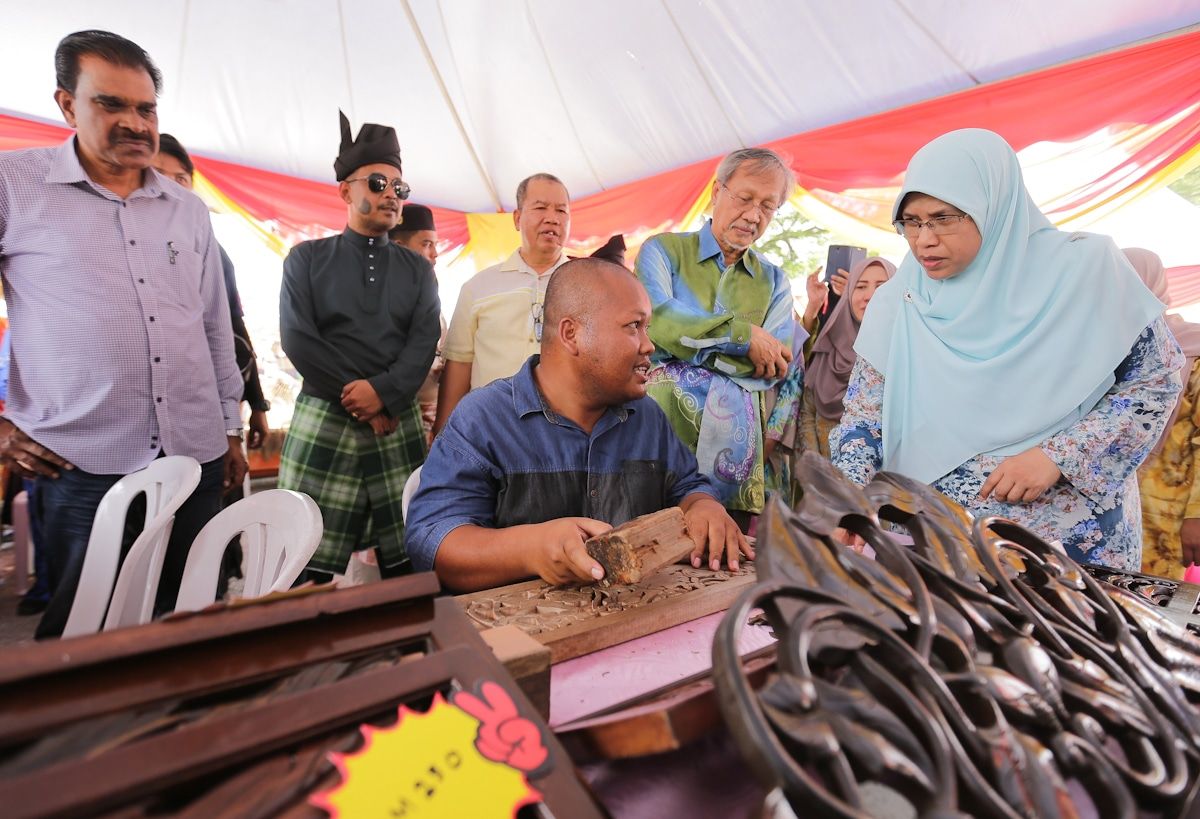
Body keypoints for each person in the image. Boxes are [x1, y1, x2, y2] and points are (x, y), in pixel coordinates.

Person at [831, 128, 1182, 570]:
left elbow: (1155, 380)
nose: (924, 239)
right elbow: (864, 416)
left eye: (943, 218)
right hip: (935, 544)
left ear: (993, 206)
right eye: (912, 221)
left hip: (1060, 542)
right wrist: (849, 492)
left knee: (1064, 640)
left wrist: (1060, 456)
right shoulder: (897, 301)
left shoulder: (1087, 271)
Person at [0, 30, 246, 637]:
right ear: (67, 104)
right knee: (85, 635)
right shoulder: (14, 185)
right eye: (111, 104)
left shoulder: (186, 209)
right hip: (80, 462)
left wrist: (230, 430)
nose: (135, 123)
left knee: (191, 621)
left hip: (195, 454)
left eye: (146, 108)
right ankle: (87, 736)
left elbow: (215, 326)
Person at [405, 258, 751, 591]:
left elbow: (687, 485)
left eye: (647, 328)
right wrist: (532, 547)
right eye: (634, 326)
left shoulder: (646, 416)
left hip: (634, 630)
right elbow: (432, 542)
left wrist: (702, 505)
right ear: (571, 334)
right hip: (519, 639)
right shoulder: (484, 419)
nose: (649, 345)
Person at [278, 112, 441, 581]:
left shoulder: (418, 271)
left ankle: (412, 654)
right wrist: (367, 401)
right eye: (377, 183)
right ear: (345, 191)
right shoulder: (306, 260)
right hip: (329, 418)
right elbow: (298, 338)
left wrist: (386, 392)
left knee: (410, 561)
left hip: (396, 423)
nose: (391, 195)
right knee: (301, 564)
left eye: (399, 187)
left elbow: (423, 340)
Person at [636, 148, 797, 526]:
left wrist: (683, 351)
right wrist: (742, 338)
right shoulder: (661, 251)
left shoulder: (775, 281)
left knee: (723, 573)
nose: (754, 215)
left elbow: (774, 365)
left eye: (768, 206)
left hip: (735, 464)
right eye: (745, 198)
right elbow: (656, 324)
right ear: (716, 191)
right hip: (659, 445)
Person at [154, 133, 272, 450]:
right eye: (159, 175)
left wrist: (257, 403)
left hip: (201, 414)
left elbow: (231, 330)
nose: (173, 186)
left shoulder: (214, 252)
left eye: (181, 177)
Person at [434, 173, 571, 437]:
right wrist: (443, 436)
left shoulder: (588, 284)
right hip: (492, 431)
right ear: (517, 218)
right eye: (541, 207)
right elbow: (459, 367)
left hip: (565, 432)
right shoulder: (478, 287)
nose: (552, 217)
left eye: (561, 210)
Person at [1126, 247, 1200, 578]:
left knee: (1148, 607)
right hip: (1109, 503)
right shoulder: (1106, 350)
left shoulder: (1194, 352)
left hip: (1166, 511)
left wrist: (1197, 517)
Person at [799, 257, 895, 458]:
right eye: (860, 287)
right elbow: (807, 412)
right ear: (848, 295)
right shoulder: (829, 349)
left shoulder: (907, 355)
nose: (869, 295)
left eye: (881, 286)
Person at [389, 203, 445, 439]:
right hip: (396, 413)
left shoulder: (429, 294)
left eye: (435, 244)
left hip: (436, 411)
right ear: (399, 247)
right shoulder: (379, 298)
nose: (435, 253)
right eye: (426, 244)